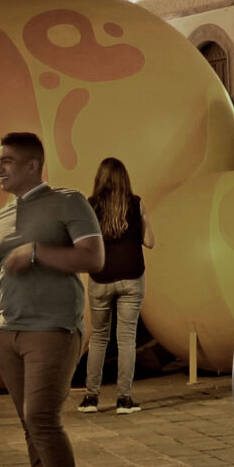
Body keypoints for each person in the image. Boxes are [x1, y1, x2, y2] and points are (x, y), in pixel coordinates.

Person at [0, 131, 106, 467]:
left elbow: (94, 258)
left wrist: (37, 252)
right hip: (10, 331)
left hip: (54, 327)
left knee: (43, 418)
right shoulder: (0, 216)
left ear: (33, 165)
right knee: (30, 424)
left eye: (7, 160)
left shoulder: (69, 202)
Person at [80, 156, 153, 414]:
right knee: (126, 339)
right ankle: (124, 399)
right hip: (132, 277)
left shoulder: (90, 206)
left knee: (99, 337)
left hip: (100, 278)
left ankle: (91, 398)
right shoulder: (136, 203)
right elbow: (150, 241)